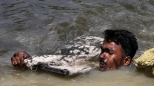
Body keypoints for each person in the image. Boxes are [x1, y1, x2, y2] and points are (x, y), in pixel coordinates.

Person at [10, 29, 138, 75]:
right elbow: (66, 60)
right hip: (80, 46)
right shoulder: (92, 57)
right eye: (102, 51)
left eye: (109, 52)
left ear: (126, 61)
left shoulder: (137, 70)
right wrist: (30, 60)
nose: (102, 56)